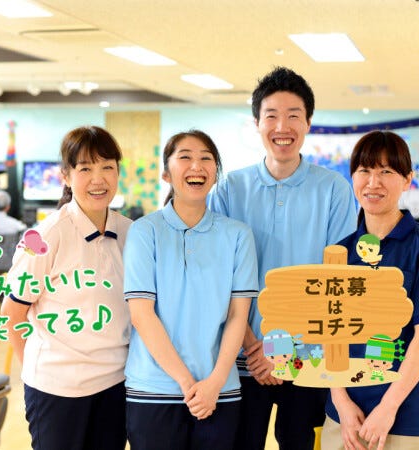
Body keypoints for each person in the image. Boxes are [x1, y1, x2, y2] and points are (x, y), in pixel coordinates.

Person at [207, 66, 357, 449]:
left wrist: (283, 352)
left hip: (308, 358)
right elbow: (217, 277)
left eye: (293, 116)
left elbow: (335, 281)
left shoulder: (334, 190)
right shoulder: (229, 189)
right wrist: (253, 346)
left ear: (308, 123)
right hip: (242, 357)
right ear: (257, 123)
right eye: (271, 116)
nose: (282, 127)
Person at [123, 130, 258, 450]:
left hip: (220, 391)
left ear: (215, 174)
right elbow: (142, 315)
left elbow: (238, 316)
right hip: (153, 390)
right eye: (185, 157)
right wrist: (187, 383)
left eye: (206, 159)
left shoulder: (238, 235)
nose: (196, 166)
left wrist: (214, 384)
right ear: (166, 174)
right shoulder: (144, 231)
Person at [1, 126, 131, 450]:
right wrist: (35, 372)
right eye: (85, 169)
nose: (98, 179)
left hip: (115, 385)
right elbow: (12, 312)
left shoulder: (131, 233)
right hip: (56, 389)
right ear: (66, 176)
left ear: (118, 172)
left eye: (107, 167)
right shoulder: (46, 235)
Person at [322, 130, 419, 450]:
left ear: (407, 180)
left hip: (405, 418)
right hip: (344, 419)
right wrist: (341, 403)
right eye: (364, 170)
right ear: (352, 177)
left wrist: (388, 408)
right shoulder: (339, 253)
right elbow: (328, 334)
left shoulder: (416, 247)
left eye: (386, 171)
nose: (373, 182)